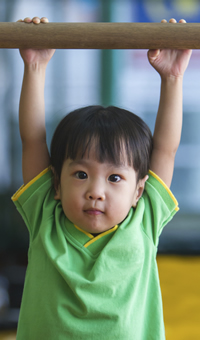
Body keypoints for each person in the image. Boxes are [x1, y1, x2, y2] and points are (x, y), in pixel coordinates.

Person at [12, 16, 192, 340]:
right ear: (56, 183)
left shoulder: (145, 220)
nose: (95, 191)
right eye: (81, 174)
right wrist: (34, 67)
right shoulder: (45, 219)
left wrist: (173, 76)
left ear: (139, 191)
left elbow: (166, 150)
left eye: (114, 178)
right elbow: (33, 140)